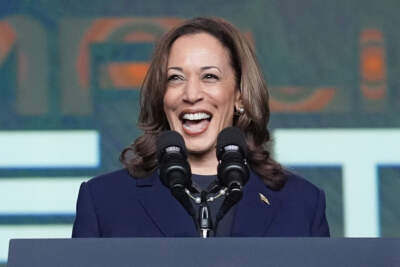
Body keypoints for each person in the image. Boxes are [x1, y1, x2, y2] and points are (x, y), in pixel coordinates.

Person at [72, 17, 330, 237]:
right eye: (175, 78)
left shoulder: (301, 202)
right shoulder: (104, 201)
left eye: (209, 76)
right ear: (162, 96)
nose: (191, 94)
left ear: (240, 95)